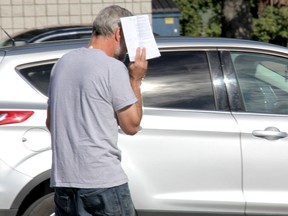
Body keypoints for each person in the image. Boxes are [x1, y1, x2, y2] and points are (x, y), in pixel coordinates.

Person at [46, 5, 147, 216]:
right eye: (129, 39)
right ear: (119, 32)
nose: (129, 48)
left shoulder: (62, 64)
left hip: (64, 182)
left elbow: (50, 122)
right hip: (102, 182)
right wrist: (135, 79)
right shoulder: (113, 67)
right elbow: (131, 125)